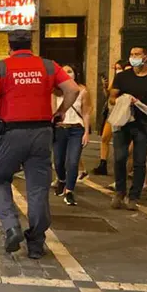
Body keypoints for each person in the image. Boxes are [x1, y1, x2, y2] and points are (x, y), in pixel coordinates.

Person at [0, 30, 79, 259]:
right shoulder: (48, 66)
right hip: (41, 133)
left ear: (10, 45)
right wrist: (61, 112)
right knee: (38, 188)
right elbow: (73, 89)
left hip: (11, 134)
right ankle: (36, 243)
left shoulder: (2, 67)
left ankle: (11, 227)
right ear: (31, 44)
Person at [109, 46, 147, 210]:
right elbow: (111, 98)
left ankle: (134, 196)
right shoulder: (122, 77)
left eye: (137, 54)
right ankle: (120, 192)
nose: (133, 57)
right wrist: (124, 99)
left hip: (145, 123)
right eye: (131, 54)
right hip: (123, 122)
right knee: (119, 158)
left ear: (146, 57)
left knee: (139, 160)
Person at [52, 65, 92, 206]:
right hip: (59, 129)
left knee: (73, 161)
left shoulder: (83, 91)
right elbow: (52, 111)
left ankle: (70, 191)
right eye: (64, 71)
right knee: (58, 161)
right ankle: (62, 180)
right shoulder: (56, 91)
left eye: (69, 71)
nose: (67, 74)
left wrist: (86, 132)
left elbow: (86, 112)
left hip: (76, 129)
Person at [93, 60, 129, 175]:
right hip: (112, 113)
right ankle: (103, 163)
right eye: (116, 68)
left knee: (123, 143)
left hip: (124, 114)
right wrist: (105, 86)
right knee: (104, 138)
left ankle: (127, 169)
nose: (117, 70)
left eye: (119, 68)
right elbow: (109, 94)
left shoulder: (127, 80)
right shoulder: (116, 79)